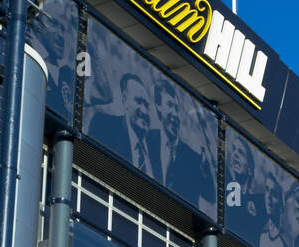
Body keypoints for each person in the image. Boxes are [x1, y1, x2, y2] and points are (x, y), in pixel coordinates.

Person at [153, 78, 215, 213]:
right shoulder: (148, 140)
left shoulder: (193, 159)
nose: (175, 114)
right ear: (158, 106)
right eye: (169, 105)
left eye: (177, 108)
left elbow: (211, 196)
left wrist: (207, 171)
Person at [87, 72, 159, 180]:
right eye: (138, 101)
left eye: (146, 105)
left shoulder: (155, 149)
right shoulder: (105, 126)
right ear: (125, 100)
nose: (144, 111)